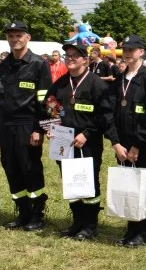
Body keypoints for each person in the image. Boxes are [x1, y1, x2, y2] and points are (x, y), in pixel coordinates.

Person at [46, 42, 114, 240]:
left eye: (75, 55)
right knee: (70, 181)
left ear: (85, 59)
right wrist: (54, 126)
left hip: (87, 141)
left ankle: (90, 225)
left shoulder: (97, 84)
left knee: (88, 182)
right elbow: (51, 103)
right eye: (67, 55)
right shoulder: (60, 83)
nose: (70, 58)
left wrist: (87, 133)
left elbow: (104, 114)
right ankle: (77, 222)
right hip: (64, 140)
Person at [0, 21, 53, 230]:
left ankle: (37, 214)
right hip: (6, 126)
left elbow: (45, 100)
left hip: (28, 125)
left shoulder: (38, 64)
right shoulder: (2, 67)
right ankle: (22, 212)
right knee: (11, 168)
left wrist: (39, 129)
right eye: (11, 36)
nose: (14, 39)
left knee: (30, 168)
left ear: (28, 37)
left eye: (19, 35)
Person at [108, 35, 146, 247]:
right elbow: (108, 113)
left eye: (133, 49)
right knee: (127, 186)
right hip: (121, 145)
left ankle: (143, 231)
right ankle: (131, 228)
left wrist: (137, 145)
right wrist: (115, 142)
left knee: (145, 186)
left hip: (142, 146)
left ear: (142, 52)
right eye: (125, 50)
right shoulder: (119, 79)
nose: (128, 53)